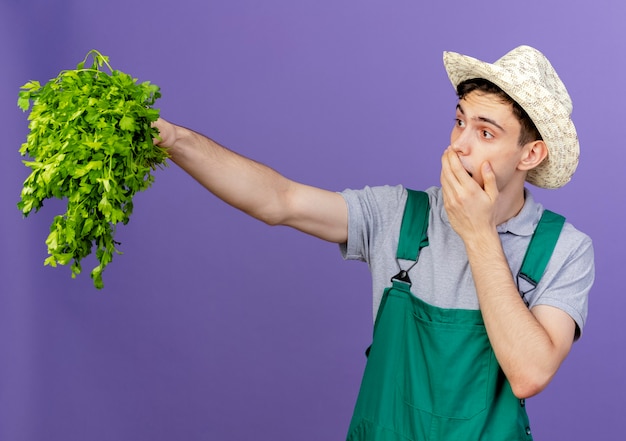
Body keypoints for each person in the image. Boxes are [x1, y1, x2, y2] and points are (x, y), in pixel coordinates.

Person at [154, 45, 594, 440]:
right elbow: (279, 200)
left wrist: (477, 232)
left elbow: (529, 374)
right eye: (459, 120)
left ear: (530, 154)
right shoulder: (400, 215)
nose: (458, 144)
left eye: (484, 132)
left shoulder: (564, 249)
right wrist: (176, 140)